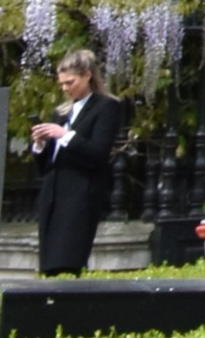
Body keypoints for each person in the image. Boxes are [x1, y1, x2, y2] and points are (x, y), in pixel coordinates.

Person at [30, 50, 130, 278]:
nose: (65, 88)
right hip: (53, 193)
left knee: (68, 259)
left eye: (70, 82)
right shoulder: (62, 111)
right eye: (62, 84)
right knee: (48, 264)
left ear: (87, 76)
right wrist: (39, 145)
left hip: (80, 192)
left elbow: (97, 153)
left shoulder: (106, 107)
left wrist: (65, 135)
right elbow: (45, 166)